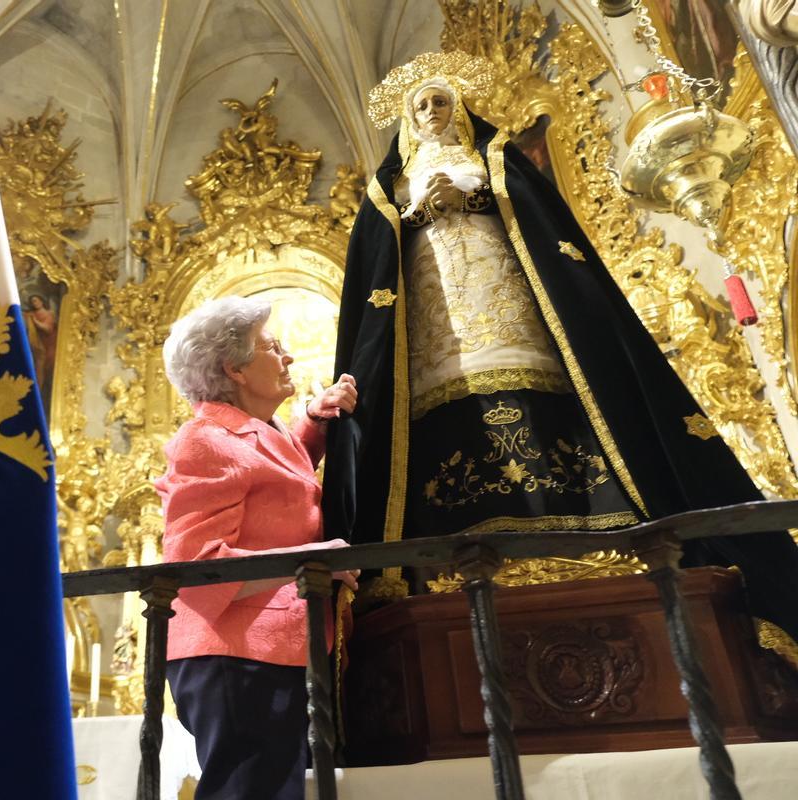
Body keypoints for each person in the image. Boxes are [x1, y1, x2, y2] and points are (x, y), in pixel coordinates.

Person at [321, 51, 798, 643]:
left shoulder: (495, 160)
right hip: (434, 320)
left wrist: (473, 200)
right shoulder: (386, 190)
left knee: (548, 373)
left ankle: (597, 528)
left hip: (511, 303)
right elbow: (374, 273)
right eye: (421, 106)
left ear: (460, 109)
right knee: (446, 395)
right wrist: (416, 212)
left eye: (441, 101)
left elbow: (543, 229)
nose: (433, 112)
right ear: (408, 121)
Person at [156, 295, 360, 799]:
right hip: (234, 653)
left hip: (271, 647)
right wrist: (313, 564)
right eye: (273, 347)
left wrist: (314, 422)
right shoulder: (204, 440)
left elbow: (277, 485)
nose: (287, 356)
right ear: (235, 369)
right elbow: (196, 568)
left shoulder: (256, 433)